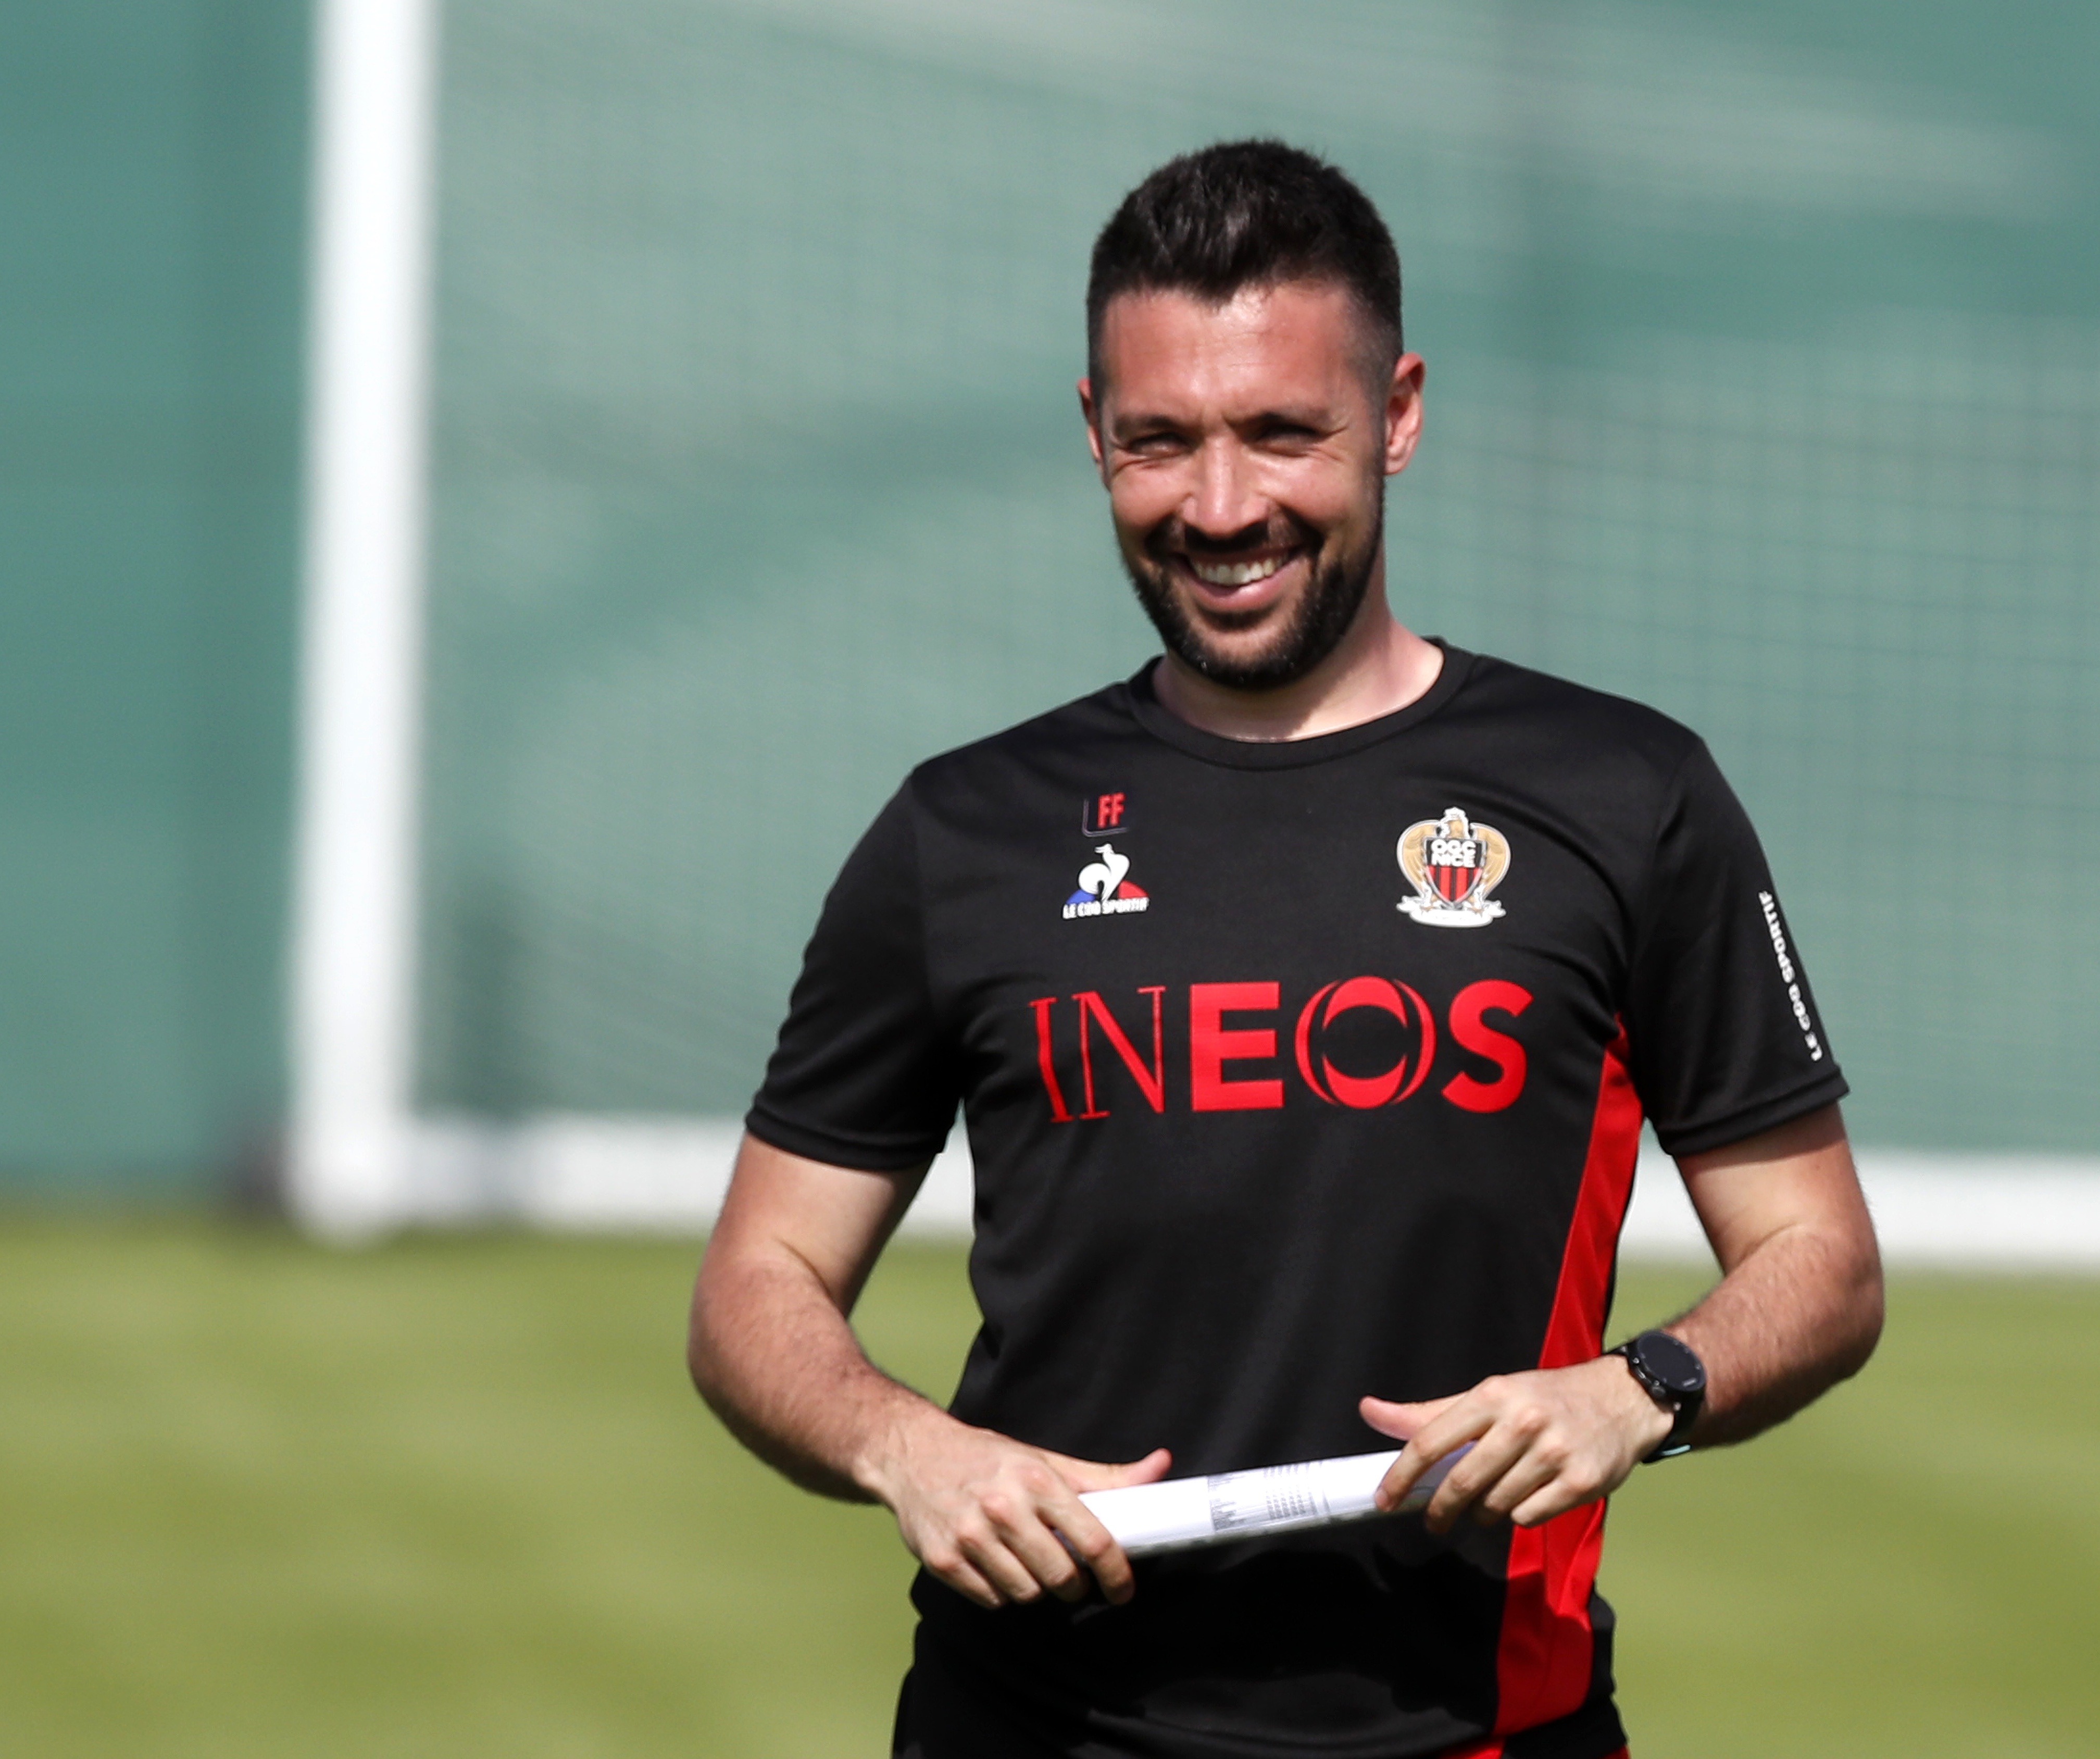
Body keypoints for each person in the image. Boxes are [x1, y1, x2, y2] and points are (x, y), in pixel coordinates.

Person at [689, 139, 1884, 1759]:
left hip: (1482, 1730)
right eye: (1160, 442)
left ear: (1395, 414)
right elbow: (756, 1285)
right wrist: (909, 1446)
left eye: (1280, 433)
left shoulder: (1624, 795)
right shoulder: (965, 830)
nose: (1223, 504)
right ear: (1095, 432)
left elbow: (1820, 1261)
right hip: (1029, 1727)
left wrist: (1636, 1389)